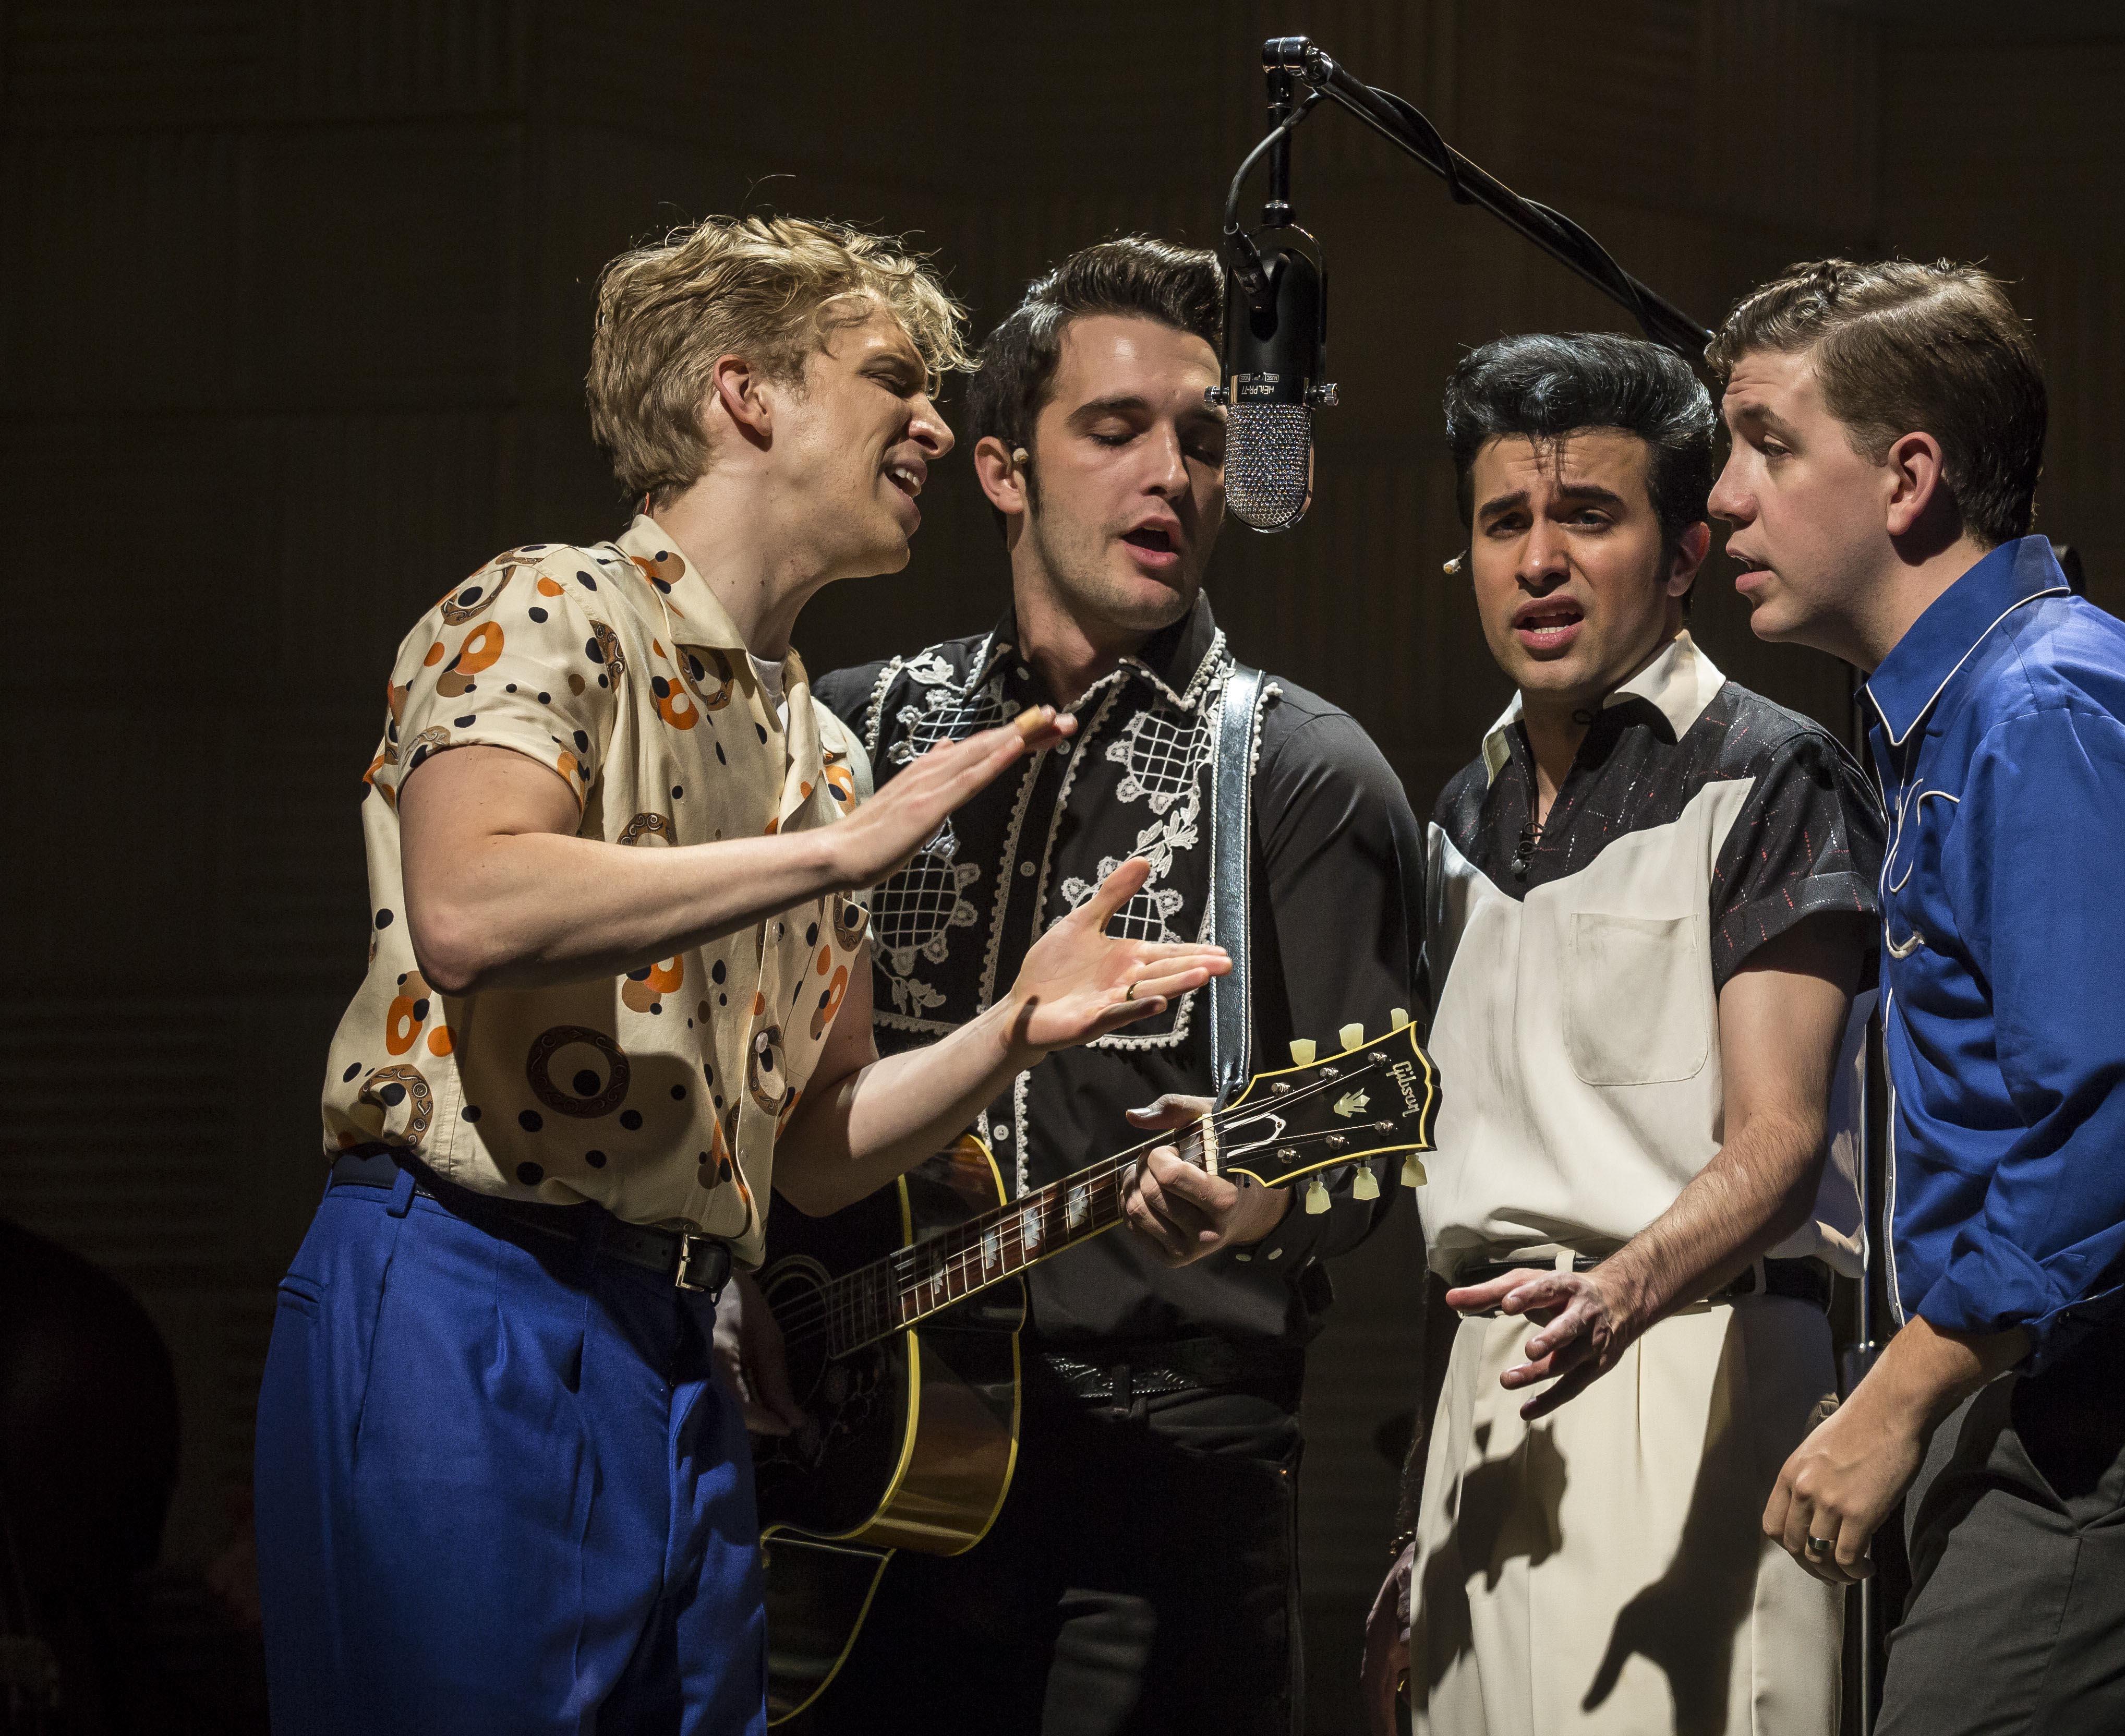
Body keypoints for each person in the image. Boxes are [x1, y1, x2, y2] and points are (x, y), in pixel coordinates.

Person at [253, 214, 1230, 1736]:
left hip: (679, 1339)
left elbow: (822, 1150)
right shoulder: (547, 607)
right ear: (744, 395)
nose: (936, 423)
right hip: (470, 1286)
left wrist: (1011, 1031)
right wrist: (832, 862)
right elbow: (470, 901)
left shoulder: (820, 752)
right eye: (894, 381)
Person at [1718, 259, 2125, 1732]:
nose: (1724, 498)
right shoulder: (1978, 715)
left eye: (1765, 442)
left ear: (1909, 478)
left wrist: (1900, 1395)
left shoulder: (2038, 709)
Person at [802, 235, 1426, 1736]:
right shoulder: (854, 733)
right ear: (1003, 469)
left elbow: (1366, 1153)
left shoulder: (1303, 767)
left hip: (1164, 1468)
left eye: (1207, 441)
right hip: (860, 1445)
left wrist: (1262, 1199)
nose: (1175, 475)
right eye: (1117, 429)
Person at [1361, 332, 1883, 1736]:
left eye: (1588, 515)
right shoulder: (1453, 823)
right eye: (1503, 522)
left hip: (1686, 1369)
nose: (1539, 560)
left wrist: (1621, 1287)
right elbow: (1455, 1208)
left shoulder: (1766, 775)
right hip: (1490, 1407)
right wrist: (1418, 1520)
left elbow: (1778, 1143)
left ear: (1682, 555)